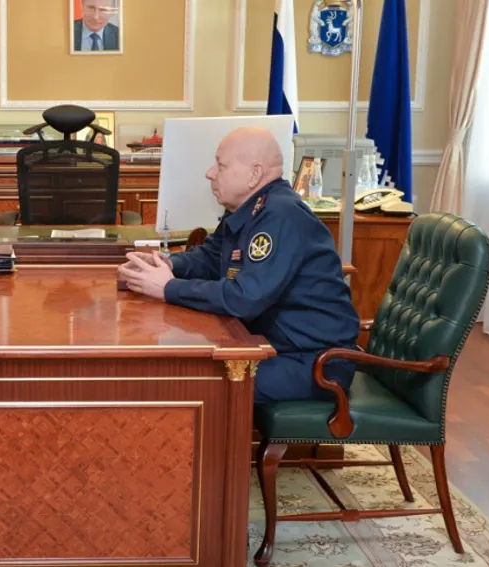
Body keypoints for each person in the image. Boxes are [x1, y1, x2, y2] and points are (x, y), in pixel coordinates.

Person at [117, 126, 360, 404]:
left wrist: (169, 288)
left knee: (192, 381)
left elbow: (245, 297)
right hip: (275, 346)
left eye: (221, 165)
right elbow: (210, 256)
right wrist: (167, 264)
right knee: (184, 370)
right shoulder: (251, 209)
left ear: (254, 174)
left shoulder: (281, 215)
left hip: (314, 363)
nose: (210, 173)